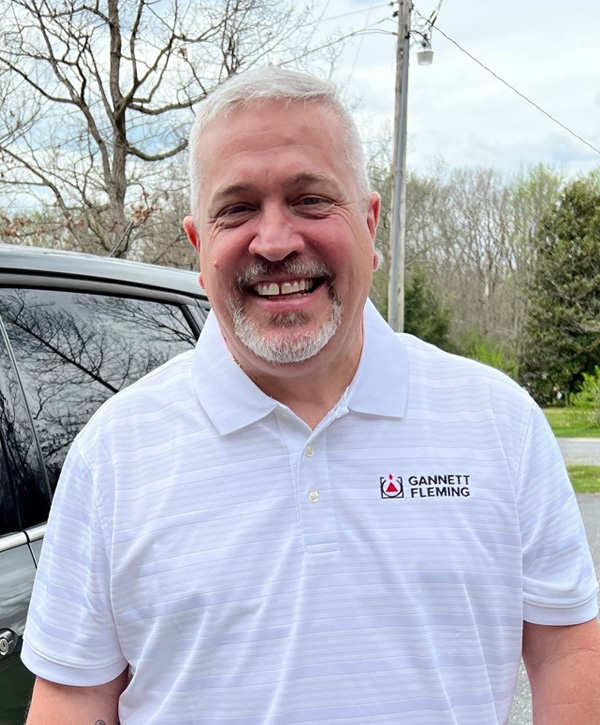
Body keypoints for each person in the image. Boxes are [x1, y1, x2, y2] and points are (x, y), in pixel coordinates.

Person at [23, 67, 600, 724]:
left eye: (310, 199)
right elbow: (73, 698)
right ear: (198, 244)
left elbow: (566, 648)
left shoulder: (501, 423)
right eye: (237, 208)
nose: (274, 241)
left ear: (370, 222)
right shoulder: (114, 453)